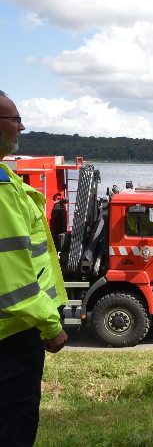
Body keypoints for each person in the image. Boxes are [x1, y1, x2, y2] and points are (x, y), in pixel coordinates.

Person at [0, 90, 68, 446]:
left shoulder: (5, 179)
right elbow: (11, 277)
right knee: (15, 425)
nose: (21, 127)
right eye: (14, 120)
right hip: (13, 334)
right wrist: (49, 324)